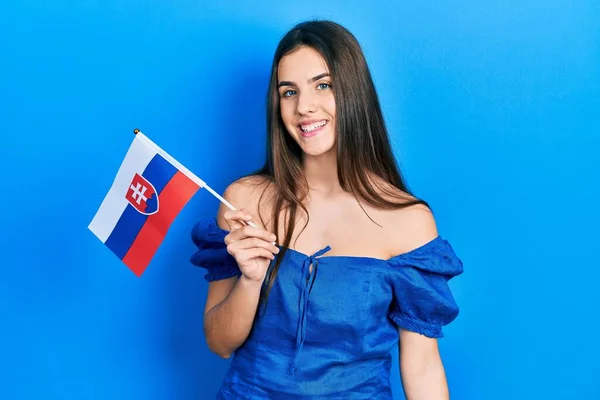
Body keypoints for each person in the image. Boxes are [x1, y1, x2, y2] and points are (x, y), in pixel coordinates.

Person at [190, 19, 463, 399]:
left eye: (323, 85)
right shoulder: (243, 201)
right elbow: (219, 343)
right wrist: (251, 280)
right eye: (289, 92)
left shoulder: (409, 222)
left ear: (353, 92)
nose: (304, 107)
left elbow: (421, 364)